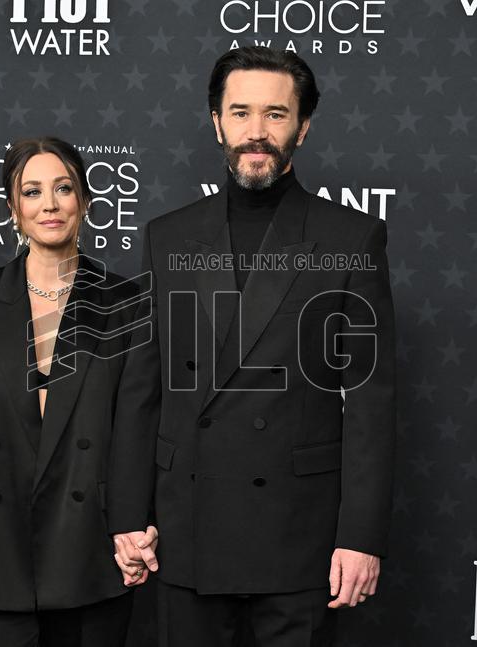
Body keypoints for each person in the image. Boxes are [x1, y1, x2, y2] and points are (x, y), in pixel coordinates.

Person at [108, 47, 398, 646]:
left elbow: (371, 404)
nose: (256, 131)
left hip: (298, 538)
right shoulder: (168, 236)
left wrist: (361, 536)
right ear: (217, 122)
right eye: (240, 112)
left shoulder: (351, 237)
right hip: (187, 530)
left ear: (303, 126)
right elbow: (142, 390)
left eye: (276, 114)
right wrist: (128, 517)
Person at [0, 137, 153, 647]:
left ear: (85, 201)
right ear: (12, 210)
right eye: (32, 191)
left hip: (88, 552)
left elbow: (137, 430)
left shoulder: (126, 303)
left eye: (63, 188)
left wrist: (133, 526)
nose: (50, 205)